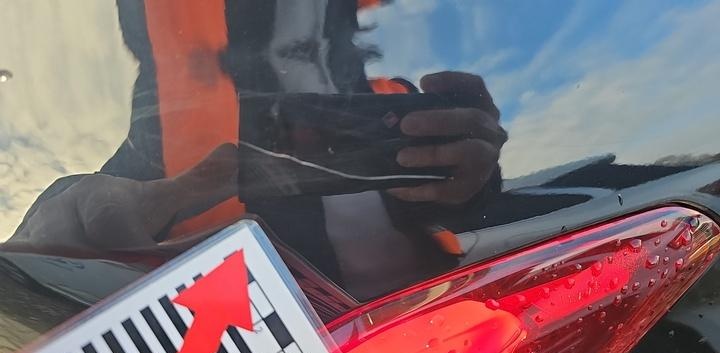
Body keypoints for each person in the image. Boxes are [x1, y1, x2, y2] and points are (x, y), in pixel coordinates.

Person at [3, 0, 507, 298]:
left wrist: (479, 184)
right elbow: (93, 207)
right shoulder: (155, 147)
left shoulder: (406, 113)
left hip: (440, 336)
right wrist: (63, 217)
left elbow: (473, 226)